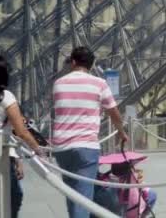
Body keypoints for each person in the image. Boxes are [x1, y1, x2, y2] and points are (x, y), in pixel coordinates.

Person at [53, 47, 129, 218]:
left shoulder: (59, 83)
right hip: (85, 146)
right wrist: (121, 132)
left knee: (72, 194)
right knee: (83, 198)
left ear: (72, 62)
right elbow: (114, 112)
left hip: (61, 147)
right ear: (92, 64)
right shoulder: (99, 83)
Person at [0, 56, 43, 218]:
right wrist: (38, 149)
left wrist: (17, 159)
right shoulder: (6, 96)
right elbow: (21, 132)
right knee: (14, 196)